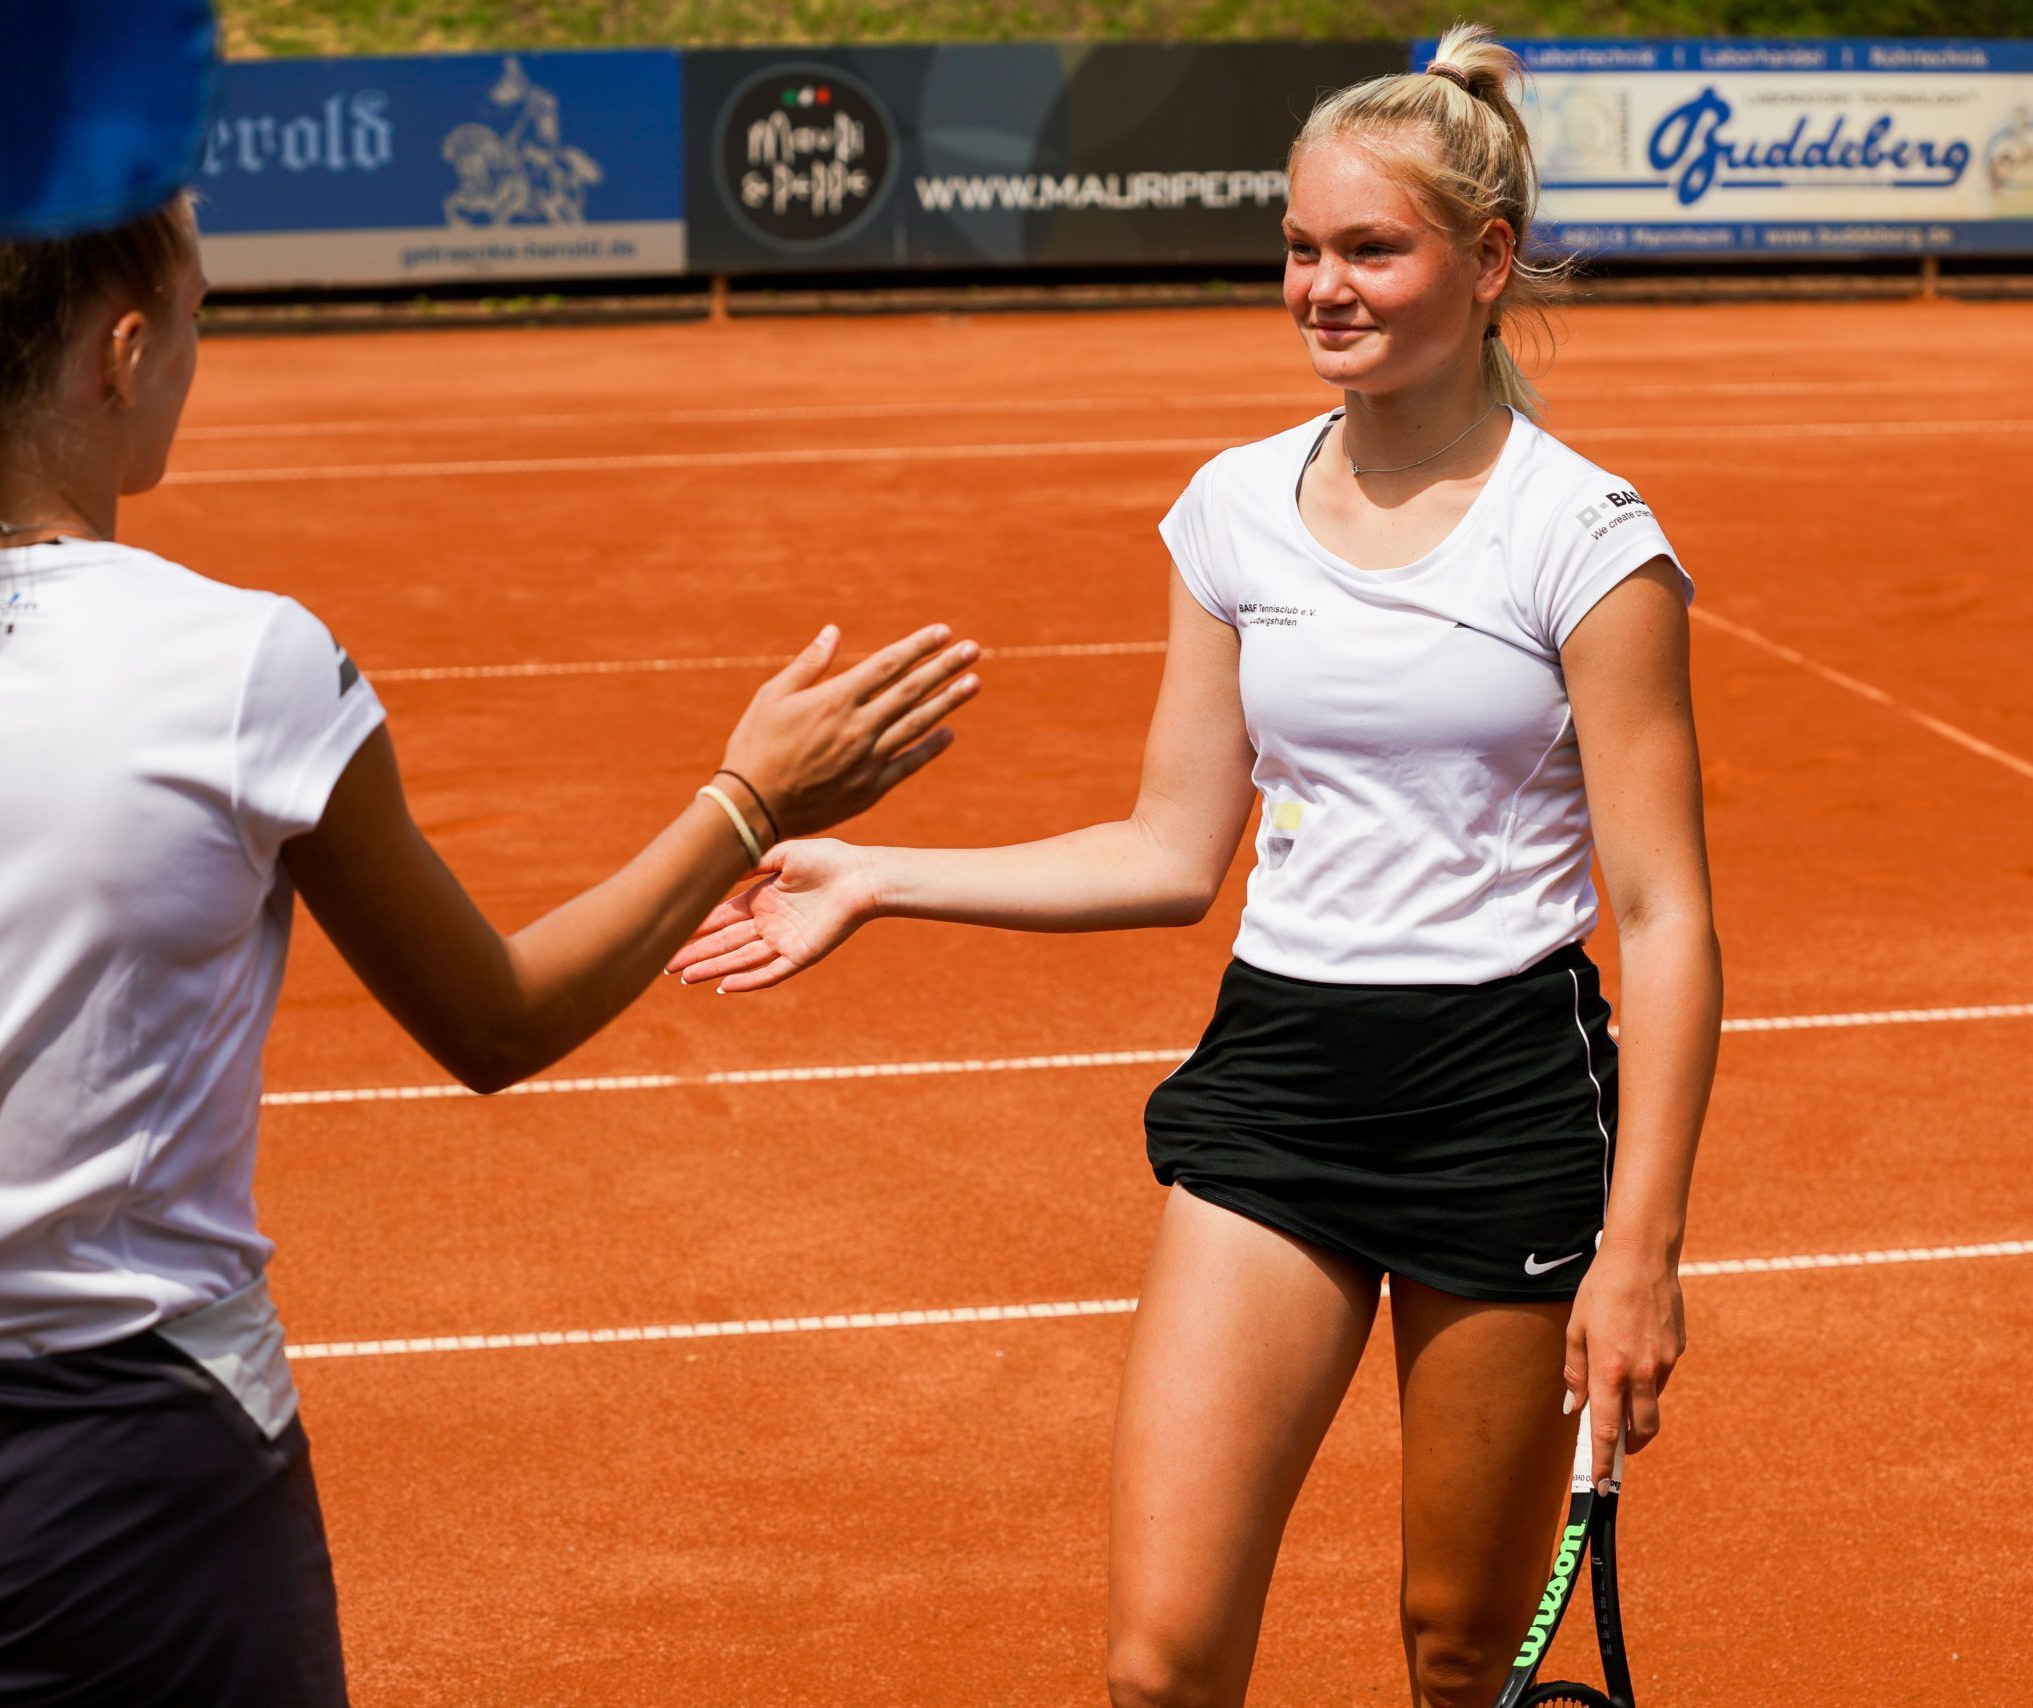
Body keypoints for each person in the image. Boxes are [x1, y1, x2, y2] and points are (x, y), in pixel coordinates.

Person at [0, 199, 978, 1704]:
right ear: (123, 351)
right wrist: (751, 800)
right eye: (202, 319)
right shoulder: (237, 663)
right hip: (151, 1449)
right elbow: (493, 1023)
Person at [669, 27, 1720, 1707]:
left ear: (1488, 260)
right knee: (1159, 1667)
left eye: (1370, 248)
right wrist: (882, 876)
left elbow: (1663, 917)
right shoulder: (1232, 509)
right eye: (1301, 248)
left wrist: (1642, 1249)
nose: (1322, 285)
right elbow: (1171, 852)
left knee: (1459, 1653)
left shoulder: (1585, 538)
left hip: (1504, 1103)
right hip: (1281, 1077)